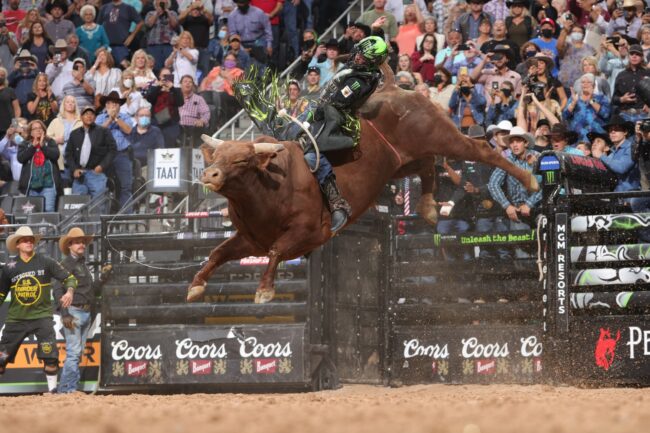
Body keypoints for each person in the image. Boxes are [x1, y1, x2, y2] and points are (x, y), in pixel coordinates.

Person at [289, 36, 388, 232]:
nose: (357, 57)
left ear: (372, 61)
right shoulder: (357, 68)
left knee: (310, 152)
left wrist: (315, 112)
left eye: (363, 57)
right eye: (358, 52)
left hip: (338, 120)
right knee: (286, 132)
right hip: (322, 109)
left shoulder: (360, 81)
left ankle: (337, 202)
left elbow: (336, 101)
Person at [0, 226, 77, 394]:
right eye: (24, 240)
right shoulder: (9, 267)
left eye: (31, 240)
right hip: (16, 319)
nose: (29, 242)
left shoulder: (46, 261)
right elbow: (1, 293)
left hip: (42, 317)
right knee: (1, 359)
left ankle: (53, 392)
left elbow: (70, 278)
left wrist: (70, 292)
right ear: (17, 244)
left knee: (51, 358)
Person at [55, 227, 111, 394]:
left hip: (83, 312)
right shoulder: (66, 264)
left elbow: (90, 290)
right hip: (74, 312)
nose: (82, 245)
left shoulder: (80, 264)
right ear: (70, 245)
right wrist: (65, 313)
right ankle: (68, 389)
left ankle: (66, 388)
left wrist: (102, 278)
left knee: (75, 353)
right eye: (77, 242)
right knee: (74, 353)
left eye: (83, 242)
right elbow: (57, 290)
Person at [487, 126, 542, 258]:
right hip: (518, 212)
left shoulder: (538, 157)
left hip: (539, 209)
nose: (515, 145)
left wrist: (529, 203)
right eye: (512, 142)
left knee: (542, 248)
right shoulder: (508, 161)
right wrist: (507, 205)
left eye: (518, 141)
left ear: (525, 143)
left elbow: (546, 184)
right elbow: (493, 183)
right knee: (522, 253)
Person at [66, 106, 117, 201]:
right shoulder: (74, 134)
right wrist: (74, 169)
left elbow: (113, 150)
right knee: (77, 204)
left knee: (99, 203)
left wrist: (101, 166)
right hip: (80, 175)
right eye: (86, 114)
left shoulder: (103, 131)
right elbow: (68, 154)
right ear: (81, 117)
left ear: (95, 117)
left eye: (92, 114)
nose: (89, 116)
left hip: (96, 174)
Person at [96, 91, 135, 211]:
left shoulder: (125, 117)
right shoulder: (100, 117)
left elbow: (128, 130)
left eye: (115, 103)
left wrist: (116, 119)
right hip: (104, 157)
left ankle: (126, 216)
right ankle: (104, 215)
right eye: (110, 103)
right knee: (102, 186)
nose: (112, 105)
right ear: (106, 105)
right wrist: (109, 119)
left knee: (125, 187)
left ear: (119, 106)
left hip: (121, 154)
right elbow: (97, 133)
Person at [17, 119, 61, 211]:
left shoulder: (50, 142)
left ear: (44, 130)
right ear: (30, 132)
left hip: (48, 184)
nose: (38, 130)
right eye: (35, 128)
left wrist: (43, 146)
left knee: (48, 210)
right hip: (31, 186)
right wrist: (32, 146)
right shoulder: (24, 144)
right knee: (33, 213)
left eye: (40, 128)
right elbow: (21, 158)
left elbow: (55, 155)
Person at [592, 114, 641, 192]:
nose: (613, 132)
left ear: (625, 132)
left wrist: (601, 155)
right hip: (616, 195)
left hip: (631, 194)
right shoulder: (612, 153)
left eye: (617, 129)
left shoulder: (631, 147)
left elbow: (621, 168)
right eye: (610, 130)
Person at [563, 73, 611, 142]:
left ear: (594, 85)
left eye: (589, 82)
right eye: (583, 82)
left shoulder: (601, 98)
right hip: (578, 139)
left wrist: (591, 100)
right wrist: (573, 103)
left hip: (597, 137)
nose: (585, 84)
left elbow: (606, 114)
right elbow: (565, 116)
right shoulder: (574, 98)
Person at [47, 95, 82, 187]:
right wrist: (56, 140)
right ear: (63, 105)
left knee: (78, 190)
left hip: (77, 162)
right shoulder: (56, 121)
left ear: (75, 105)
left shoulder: (81, 122)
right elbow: (46, 139)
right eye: (67, 102)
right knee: (64, 189)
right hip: (61, 162)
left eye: (73, 102)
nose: (70, 103)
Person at [228, 0, 272, 70]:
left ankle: (262, 73)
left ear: (248, 2)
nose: (241, 5)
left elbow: (267, 29)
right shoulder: (232, 16)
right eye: (239, 3)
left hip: (258, 42)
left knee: (261, 63)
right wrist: (241, 48)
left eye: (243, 2)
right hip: (241, 43)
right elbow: (233, 34)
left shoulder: (259, 13)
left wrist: (269, 45)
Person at [97, 0, 144, 66]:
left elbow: (140, 22)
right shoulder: (104, 8)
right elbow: (98, 25)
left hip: (121, 46)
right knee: (106, 67)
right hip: (106, 46)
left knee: (123, 67)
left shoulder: (128, 8)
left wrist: (131, 36)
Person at [146, 67, 183, 148]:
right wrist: (159, 87)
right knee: (155, 145)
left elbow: (180, 102)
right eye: (164, 76)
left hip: (171, 124)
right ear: (159, 77)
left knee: (169, 146)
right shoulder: (154, 88)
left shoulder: (176, 90)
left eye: (168, 76)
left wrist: (172, 88)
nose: (166, 78)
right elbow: (149, 99)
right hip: (156, 122)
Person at [613, 44, 650, 123]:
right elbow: (614, 99)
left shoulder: (648, 73)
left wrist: (649, 105)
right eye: (632, 54)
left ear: (642, 57)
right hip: (625, 115)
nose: (634, 56)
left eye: (637, 54)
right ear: (628, 56)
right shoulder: (621, 75)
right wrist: (622, 99)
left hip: (644, 115)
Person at [179, 0, 213, 76]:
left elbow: (211, 19)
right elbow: (179, 19)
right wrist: (190, 8)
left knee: (204, 73)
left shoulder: (204, 19)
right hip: (189, 50)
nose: (195, 11)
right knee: (188, 72)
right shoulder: (187, 19)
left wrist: (203, 9)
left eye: (197, 9)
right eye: (193, 9)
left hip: (203, 50)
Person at [144, 0, 179, 73]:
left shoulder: (172, 13)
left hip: (169, 45)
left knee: (169, 67)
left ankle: (168, 80)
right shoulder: (150, 13)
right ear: (155, 3)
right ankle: (156, 80)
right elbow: (148, 24)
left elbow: (175, 25)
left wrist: (168, 13)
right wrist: (157, 13)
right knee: (154, 67)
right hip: (154, 45)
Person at [178, 74, 210, 146]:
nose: (188, 83)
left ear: (192, 85)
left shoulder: (199, 99)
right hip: (178, 125)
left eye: (190, 82)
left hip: (193, 126)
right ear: (180, 84)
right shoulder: (175, 96)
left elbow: (206, 113)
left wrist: (202, 120)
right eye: (185, 81)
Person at [0, 67, 20, 136]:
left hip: (8, 128)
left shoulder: (10, 91)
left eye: (2, 75)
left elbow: (17, 109)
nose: (0, 77)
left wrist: (14, 125)